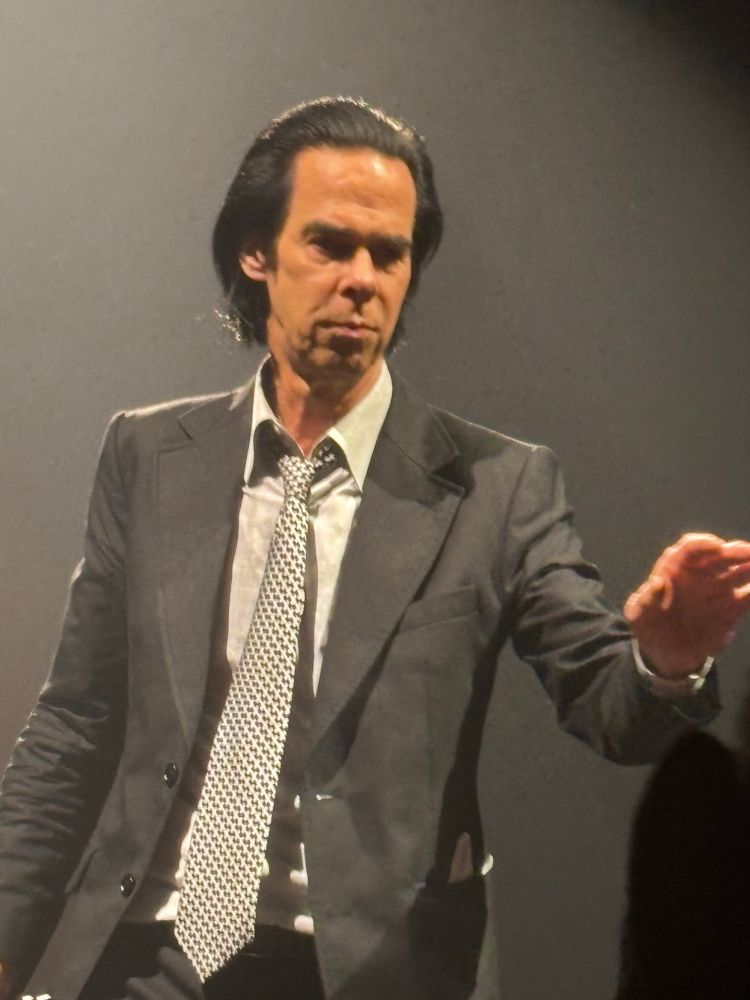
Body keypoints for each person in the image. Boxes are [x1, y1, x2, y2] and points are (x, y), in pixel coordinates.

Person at [1, 96, 749, 1000]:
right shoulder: (149, 456)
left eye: (389, 254)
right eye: (330, 244)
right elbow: (76, 725)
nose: (363, 278)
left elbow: (607, 703)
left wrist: (667, 657)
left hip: (371, 967)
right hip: (150, 949)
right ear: (255, 253)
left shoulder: (497, 485)